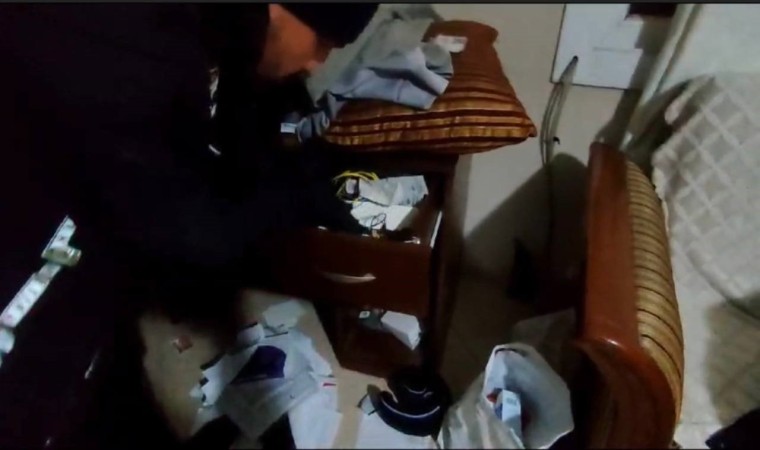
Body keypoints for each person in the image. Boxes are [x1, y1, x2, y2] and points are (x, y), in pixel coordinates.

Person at [0, 4, 377, 448]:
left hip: (99, 249)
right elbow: (189, 228)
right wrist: (291, 197)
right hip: (28, 271)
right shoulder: (125, 41)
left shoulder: (224, 29)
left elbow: (222, 136)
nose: (317, 63)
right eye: (323, 43)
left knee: (114, 374)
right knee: (47, 401)